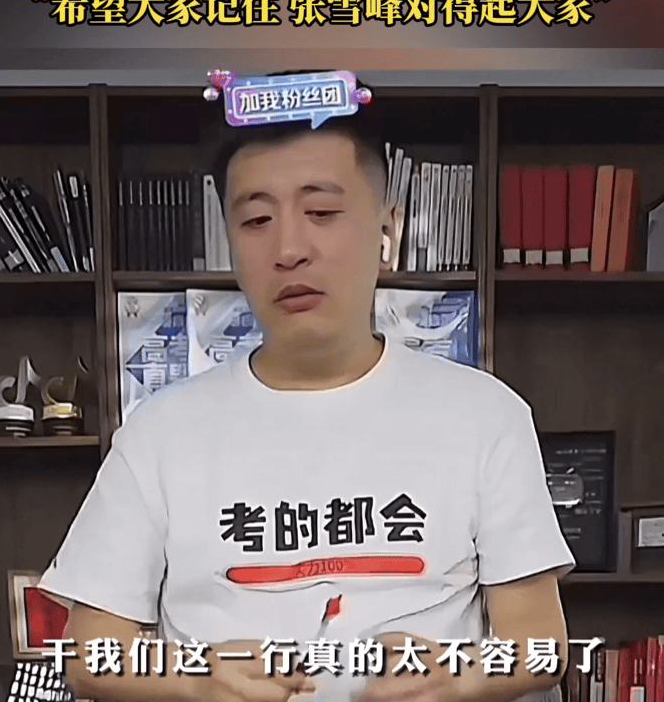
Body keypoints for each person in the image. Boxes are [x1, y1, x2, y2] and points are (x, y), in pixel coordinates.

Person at [38, 73, 575, 702]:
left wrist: (458, 677)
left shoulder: (486, 415)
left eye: (321, 212)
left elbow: (541, 643)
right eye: (256, 219)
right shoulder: (158, 433)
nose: (289, 248)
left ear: (387, 231)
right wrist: (195, 679)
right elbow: (88, 654)